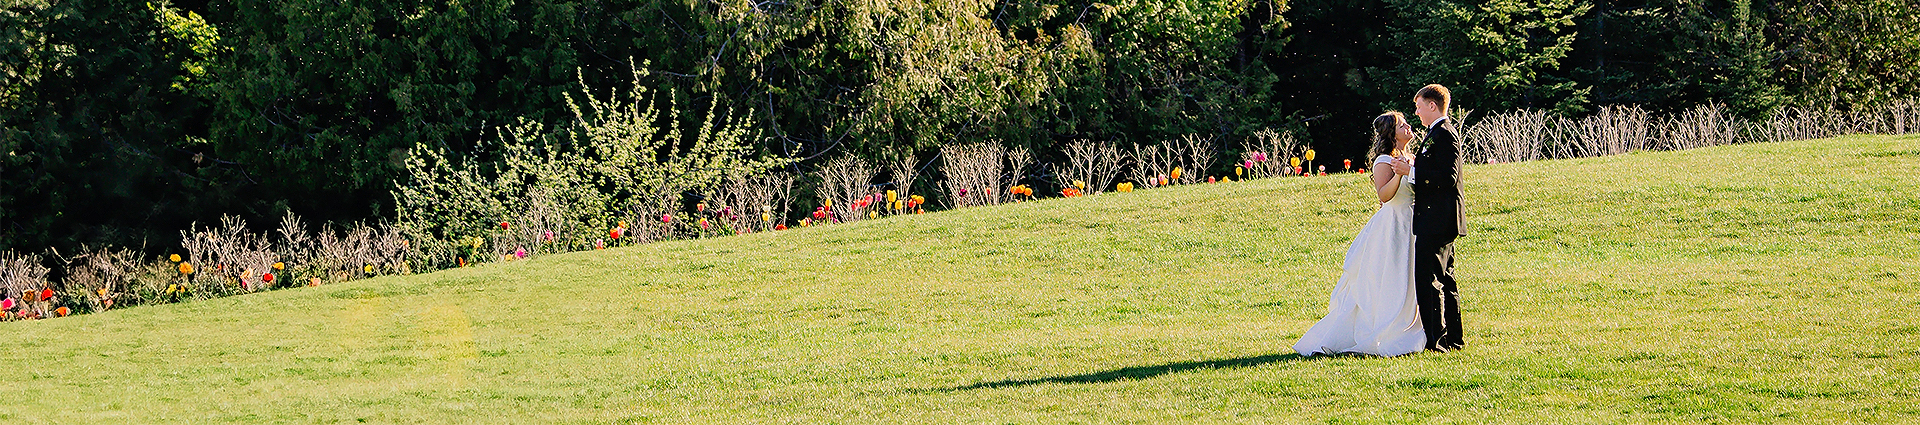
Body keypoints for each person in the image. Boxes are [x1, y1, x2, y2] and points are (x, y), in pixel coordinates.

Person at [1293, 111, 1425, 357]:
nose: (1408, 127)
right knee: (1393, 276)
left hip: (1413, 221)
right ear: (1391, 133)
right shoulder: (1384, 161)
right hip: (1393, 225)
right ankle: (1384, 330)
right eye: (1402, 125)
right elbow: (1384, 195)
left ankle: (1414, 327)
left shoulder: (1411, 157)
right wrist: (1399, 172)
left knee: (1412, 277)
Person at [1392, 84, 1467, 352]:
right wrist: (1413, 167)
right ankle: (1452, 339)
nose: (1417, 112)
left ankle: (1436, 341)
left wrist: (1410, 173)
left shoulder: (1444, 134)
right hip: (1440, 218)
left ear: (1432, 106)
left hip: (1437, 219)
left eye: (1419, 106)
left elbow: (1447, 177)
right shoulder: (1438, 133)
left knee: (1431, 281)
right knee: (1446, 279)